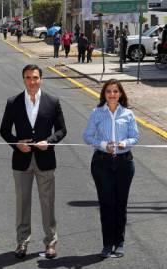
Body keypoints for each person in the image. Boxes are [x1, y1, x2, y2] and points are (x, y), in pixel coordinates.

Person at [0, 64, 67, 260]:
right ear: (23, 80)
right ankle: (22, 242)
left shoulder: (52, 102)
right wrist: (16, 144)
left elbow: (62, 130)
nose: (32, 81)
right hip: (21, 161)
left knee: (48, 203)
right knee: (22, 203)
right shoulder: (13, 102)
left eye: (35, 77)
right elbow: (4, 130)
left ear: (41, 79)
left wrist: (50, 142)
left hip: (45, 160)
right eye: (28, 78)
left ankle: (51, 243)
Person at [83, 79, 139, 258]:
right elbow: (87, 136)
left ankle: (119, 243)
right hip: (102, 163)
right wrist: (102, 144)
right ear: (104, 94)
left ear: (121, 93)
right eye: (109, 91)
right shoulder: (97, 113)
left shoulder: (128, 114)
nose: (112, 94)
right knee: (106, 205)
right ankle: (107, 244)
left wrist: (125, 143)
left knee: (120, 205)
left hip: (124, 163)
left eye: (115, 91)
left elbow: (135, 137)